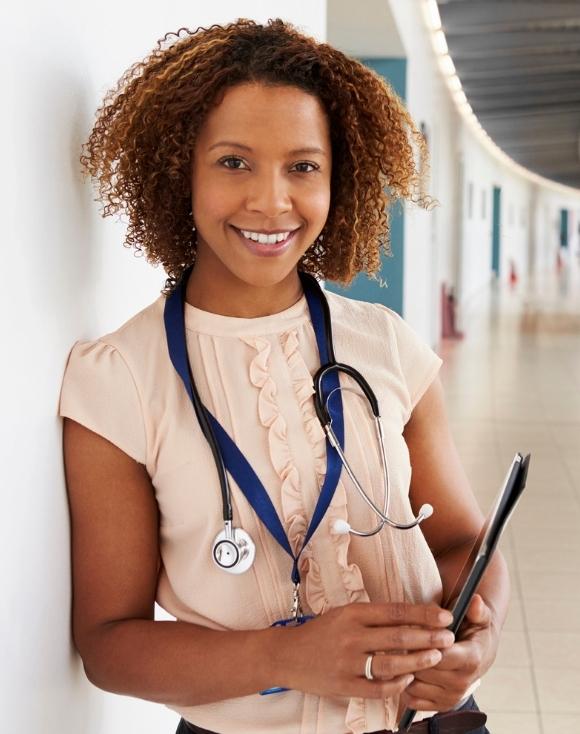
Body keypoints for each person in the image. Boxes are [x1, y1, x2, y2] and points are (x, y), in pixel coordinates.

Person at [59, 18, 507, 734]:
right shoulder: (120, 380)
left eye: (303, 166)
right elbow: (110, 644)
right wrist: (284, 657)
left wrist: (478, 638)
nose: (271, 202)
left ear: (339, 178)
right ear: (182, 170)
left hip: (436, 723)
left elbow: (462, 542)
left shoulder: (385, 345)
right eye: (234, 162)